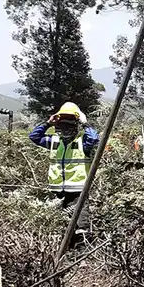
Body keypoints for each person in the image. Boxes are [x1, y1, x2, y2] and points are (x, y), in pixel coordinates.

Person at [29, 101, 100, 244]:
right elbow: (34, 137)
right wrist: (47, 123)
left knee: (81, 227)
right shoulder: (54, 141)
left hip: (78, 191)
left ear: (76, 125)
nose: (65, 128)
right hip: (58, 191)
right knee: (63, 225)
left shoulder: (82, 142)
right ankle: (67, 250)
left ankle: (83, 250)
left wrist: (85, 123)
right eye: (62, 125)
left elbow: (94, 138)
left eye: (69, 125)